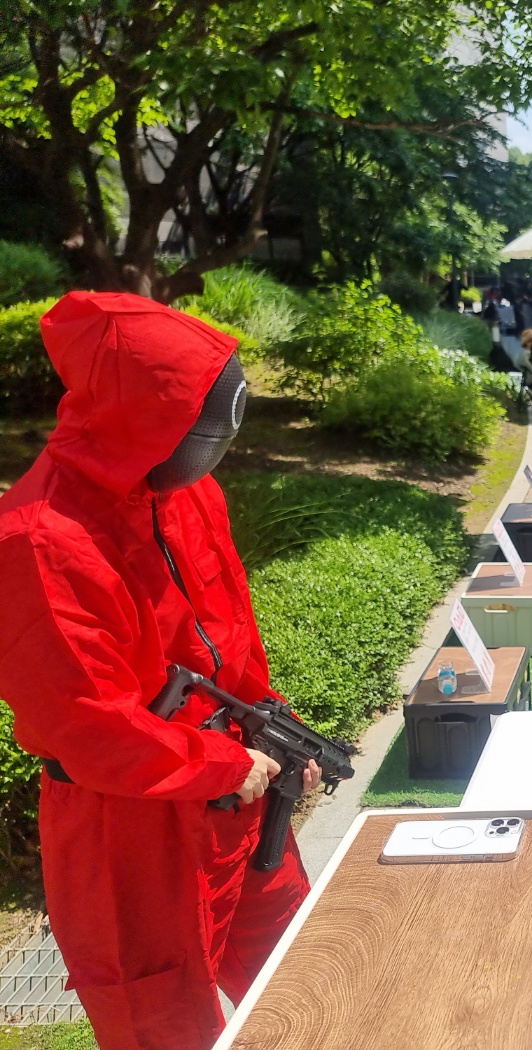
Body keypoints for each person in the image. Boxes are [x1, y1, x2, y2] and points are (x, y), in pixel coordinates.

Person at [0, 293, 322, 1050]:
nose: (214, 451)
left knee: (308, 983)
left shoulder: (186, 492)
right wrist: (224, 762)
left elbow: (231, 636)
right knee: (165, 1030)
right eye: (204, 432)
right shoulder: (37, 540)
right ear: (144, 422)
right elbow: (87, 726)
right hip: (129, 833)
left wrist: (277, 728)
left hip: (239, 791)